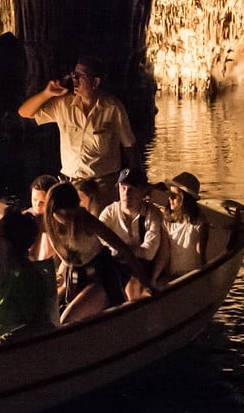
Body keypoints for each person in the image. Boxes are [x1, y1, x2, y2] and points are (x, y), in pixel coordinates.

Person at [17, 57, 137, 211]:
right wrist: (47, 93)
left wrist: (136, 182)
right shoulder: (63, 105)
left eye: (81, 76)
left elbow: (130, 146)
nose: (75, 79)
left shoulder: (113, 108)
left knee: (99, 229)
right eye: (74, 74)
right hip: (72, 186)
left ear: (95, 82)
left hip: (102, 187)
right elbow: (24, 112)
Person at [40, 181, 157, 324]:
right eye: (65, 214)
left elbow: (123, 249)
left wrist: (147, 284)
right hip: (75, 277)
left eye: (74, 211)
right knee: (48, 315)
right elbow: (66, 259)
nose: (71, 217)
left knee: (67, 320)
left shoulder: (84, 219)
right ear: (53, 212)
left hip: (101, 276)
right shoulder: (48, 226)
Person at [0, 208, 54, 344]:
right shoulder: (0, 270)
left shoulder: (25, 277)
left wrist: (14, 337)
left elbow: (41, 325)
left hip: (14, 353)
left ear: (7, 242)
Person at [98, 166, 167, 298]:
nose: (126, 194)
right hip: (115, 268)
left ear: (141, 191)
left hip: (141, 268)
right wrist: (126, 251)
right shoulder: (109, 212)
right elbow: (98, 240)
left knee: (132, 290)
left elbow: (149, 252)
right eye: (122, 188)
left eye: (131, 189)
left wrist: (121, 250)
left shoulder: (152, 214)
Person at [161, 172, 221, 278]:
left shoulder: (198, 222)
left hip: (191, 275)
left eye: (174, 196)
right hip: (172, 274)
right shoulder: (167, 221)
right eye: (169, 194)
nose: (170, 198)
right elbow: (165, 253)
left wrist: (205, 276)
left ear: (185, 199)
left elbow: (200, 252)